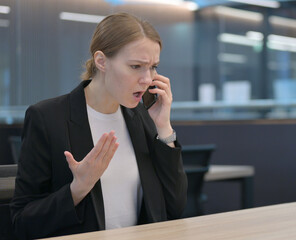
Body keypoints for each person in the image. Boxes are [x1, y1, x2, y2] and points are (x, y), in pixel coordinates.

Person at [10, 12, 187, 239]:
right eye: (136, 66)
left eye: (153, 67)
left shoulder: (142, 117)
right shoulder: (47, 118)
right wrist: (78, 189)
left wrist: (163, 128)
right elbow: (21, 223)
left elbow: (175, 206)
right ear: (101, 61)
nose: (147, 79)